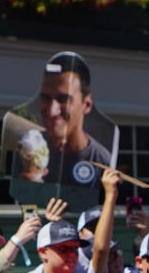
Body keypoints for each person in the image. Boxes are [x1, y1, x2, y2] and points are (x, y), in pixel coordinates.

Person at [23, 51, 111, 187]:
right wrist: (27, 192)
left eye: (63, 99)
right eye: (45, 98)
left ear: (87, 104)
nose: (52, 111)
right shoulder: (28, 148)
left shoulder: (103, 161)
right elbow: (24, 206)